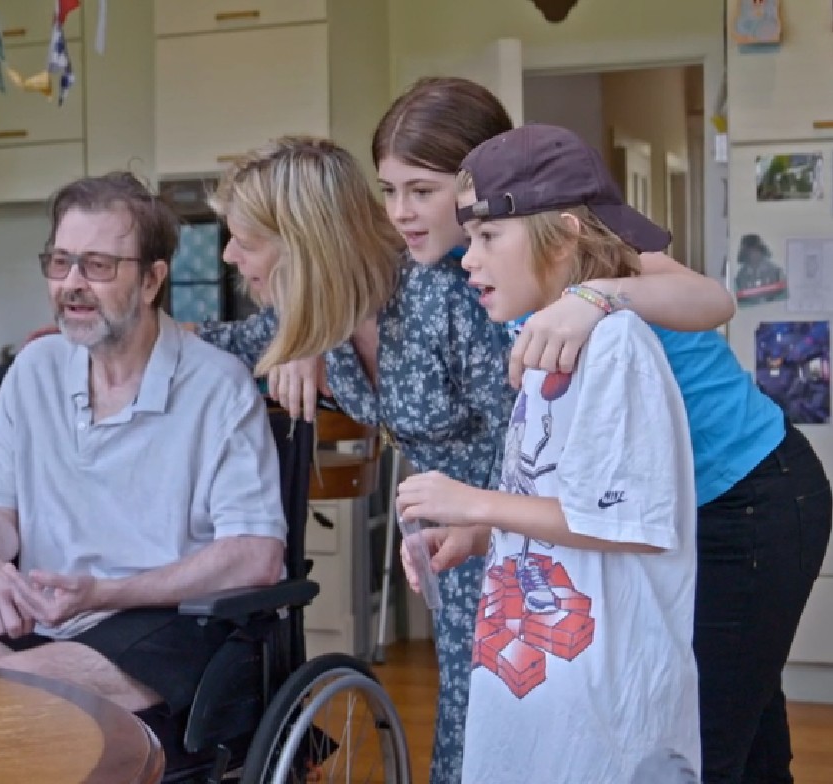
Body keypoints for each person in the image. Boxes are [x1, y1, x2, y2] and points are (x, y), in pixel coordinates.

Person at [194, 79, 735, 783]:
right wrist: (294, 338)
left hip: (710, 490)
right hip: (518, 541)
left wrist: (595, 298)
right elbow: (237, 331)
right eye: (391, 191)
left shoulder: (521, 298)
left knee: (672, 737)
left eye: (423, 190)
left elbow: (578, 467)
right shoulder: (440, 268)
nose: (402, 212)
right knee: (499, 738)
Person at [0, 171, 287, 750]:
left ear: (151, 280)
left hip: (170, 625)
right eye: (61, 262)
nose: (72, 283)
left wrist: (103, 593)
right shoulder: (34, 370)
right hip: (43, 622)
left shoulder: (217, 386)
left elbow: (256, 556)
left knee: (6, 699)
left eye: (97, 266)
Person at [395, 120, 701, 784]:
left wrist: (474, 501)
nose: (468, 258)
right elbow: (558, 499)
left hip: (603, 712)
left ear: (562, 236)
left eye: (487, 237)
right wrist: (477, 533)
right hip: (543, 688)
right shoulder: (545, 342)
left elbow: (624, 520)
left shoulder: (614, 345)